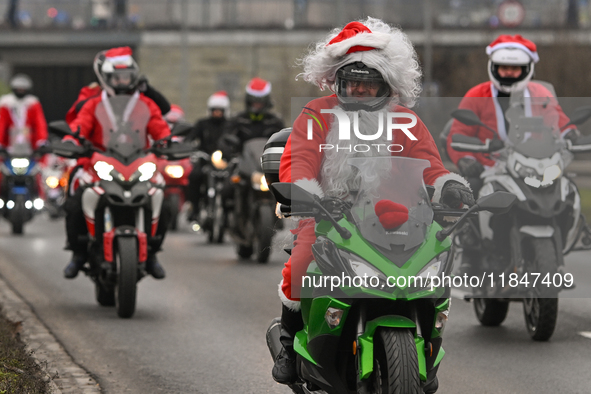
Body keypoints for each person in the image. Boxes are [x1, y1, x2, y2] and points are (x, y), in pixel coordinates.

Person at [272, 18, 474, 385]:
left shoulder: (405, 119)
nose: (361, 92)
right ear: (338, 81)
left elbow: (429, 163)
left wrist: (447, 186)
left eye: (369, 84)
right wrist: (304, 192)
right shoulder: (317, 114)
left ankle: (427, 344)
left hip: (398, 217)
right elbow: (298, 159)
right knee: (302, 260)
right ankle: (289, 342)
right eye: (353, 83)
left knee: (433, 266)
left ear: (386, 84)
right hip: (328, 215)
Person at [445, 34, 576, 275]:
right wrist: (466, 159)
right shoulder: (476, 94)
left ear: (527, 69)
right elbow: (459, 133)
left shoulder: (541, 93)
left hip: (535, 163)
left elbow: (558, 119)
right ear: (493, 67)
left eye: (515, 69)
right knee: (469, 187)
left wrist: (570, 134)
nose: (508, 73)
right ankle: (472, 255)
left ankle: (566, 241)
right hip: (489, 166)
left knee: (567, 187)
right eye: (503, 67)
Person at [62, 46, 171, 280]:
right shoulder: (93, 101)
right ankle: (78, 252)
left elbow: (159, 126)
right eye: (118, 77)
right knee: (74, 202)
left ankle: (152, 252)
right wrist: (72, 140)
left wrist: (167, 142)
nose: (123, 82)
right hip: (99, 161)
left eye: (127, 76)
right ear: (106, 78)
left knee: (163, 196)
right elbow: (80, 125)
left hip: (138, 161)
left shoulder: (145, 102)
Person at [0, 74, 48, 200]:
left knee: (40, 172)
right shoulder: (6, 103)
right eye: (18, 89)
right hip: (9, 147)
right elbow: (1, 124)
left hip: (28, 148)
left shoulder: (33, 103)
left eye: (23, 89)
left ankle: (41, 197)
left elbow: (39, 124)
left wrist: (41, 142)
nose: (20, 91)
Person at [186, 91, 230, 222]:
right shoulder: (202, 124)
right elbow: (191, 137)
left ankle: (229, 212)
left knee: (234, 183)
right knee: (194, 176)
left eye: (219, 110)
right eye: (214, 110)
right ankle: (194, 207)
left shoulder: (230, 125)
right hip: (205, 160)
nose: (217, 113)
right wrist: (189, 146)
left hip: (224, 161)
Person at [222, 77, 284, 155]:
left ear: (266, 102)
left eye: (260, 103)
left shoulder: (275, 121)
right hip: (242, 163)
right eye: (254, 102)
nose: (257, 106)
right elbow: (225, 140)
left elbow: (285, 143)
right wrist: (229, 146)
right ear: (248, 101)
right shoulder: (237, 120)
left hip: (269, 163)